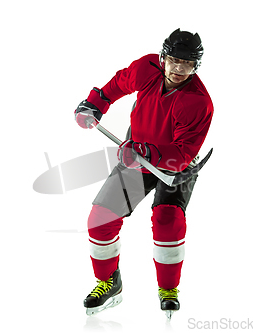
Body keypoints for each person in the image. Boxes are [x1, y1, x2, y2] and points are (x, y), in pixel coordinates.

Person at [74, 28, 213, 318]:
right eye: (174, 60)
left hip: (174, 166)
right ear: (163, 57)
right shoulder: (146, 68)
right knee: (100, 219)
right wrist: (95, 104)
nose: (178, 68)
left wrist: (147, 152)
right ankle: (109, 283)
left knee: (167, 219)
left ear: (195, 65)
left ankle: (168, 289)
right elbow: (117, 85)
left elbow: (183, 153)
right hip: (135, 154)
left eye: (187, 63)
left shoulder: (199, 102)